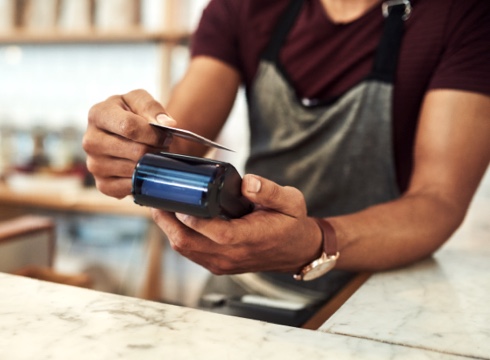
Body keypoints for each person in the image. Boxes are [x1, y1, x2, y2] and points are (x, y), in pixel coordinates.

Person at [83, 0, 490, 325]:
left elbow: (438, 201)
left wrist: (314, 243)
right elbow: (174, 142)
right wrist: (131, 145)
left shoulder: (463, 14)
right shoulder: (244, 8)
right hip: (243, 287)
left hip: (378, 298)